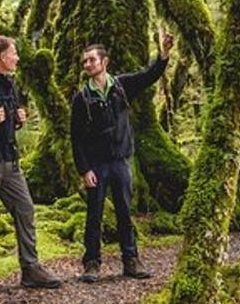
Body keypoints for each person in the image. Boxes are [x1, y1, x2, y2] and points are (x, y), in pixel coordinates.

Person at [70, 29, 175, 282]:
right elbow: (76, 137)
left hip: (121, 162)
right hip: (97, 164)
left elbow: (149, 76)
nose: (87, 64)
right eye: (85, 61)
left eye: (92, 60)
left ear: (104, 62)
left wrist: (163, 54)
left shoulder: (122, 86)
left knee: (125, 212)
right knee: (94, 213)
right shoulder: (81, 98)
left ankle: (131, 260)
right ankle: (92, 263)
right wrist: (84, 169)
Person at [0, 35, 62, 294]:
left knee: (25, 209)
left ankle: (31, 268)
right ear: (1, 58)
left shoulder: (11, 84)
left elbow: (8, 118)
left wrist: (18, 119)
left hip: (11, 162)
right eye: (14, 53)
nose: (17, 58)